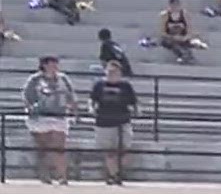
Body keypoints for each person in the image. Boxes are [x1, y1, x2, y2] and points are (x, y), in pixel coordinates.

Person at [22, 56, 77, 184]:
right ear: (44, 65)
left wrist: (74, 110)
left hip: (59, 116)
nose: (54, 66)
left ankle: (62, 176)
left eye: (55, 64)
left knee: (59, 147)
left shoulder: (63, 79)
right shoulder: (35, 79)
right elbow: (27, 96)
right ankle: (45, 176)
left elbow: (71, 96)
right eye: (51, 64)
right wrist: (30, 108)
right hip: (40, 116)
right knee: (43, 147)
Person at [90, 59, 139, 185]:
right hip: (104, 120)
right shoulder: (99, 85)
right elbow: (92, 100)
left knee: (124, 149)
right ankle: (114, 175)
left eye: (115, 71)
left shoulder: (125, 86)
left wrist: (136, 111)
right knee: (109, 151)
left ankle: (115, 172)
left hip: (123, 120)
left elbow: (134, 102)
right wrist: (91, 109)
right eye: (110, 71)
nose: (112, 74)